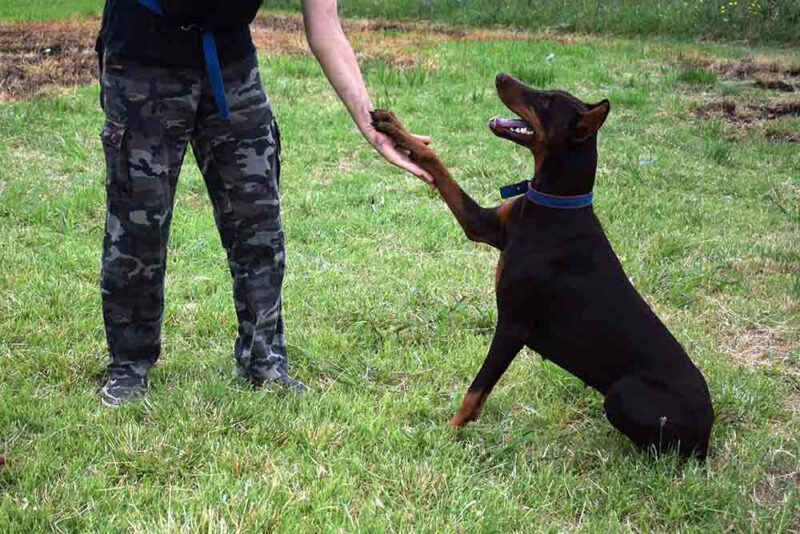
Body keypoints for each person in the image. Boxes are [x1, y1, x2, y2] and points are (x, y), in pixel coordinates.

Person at [96, 0, 432, 406]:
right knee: (138, 225)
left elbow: (324, 25)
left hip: (230, 61)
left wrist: (372, 124)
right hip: (141, 58)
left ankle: (264, 361)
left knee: (258, 221)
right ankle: (129, 367)